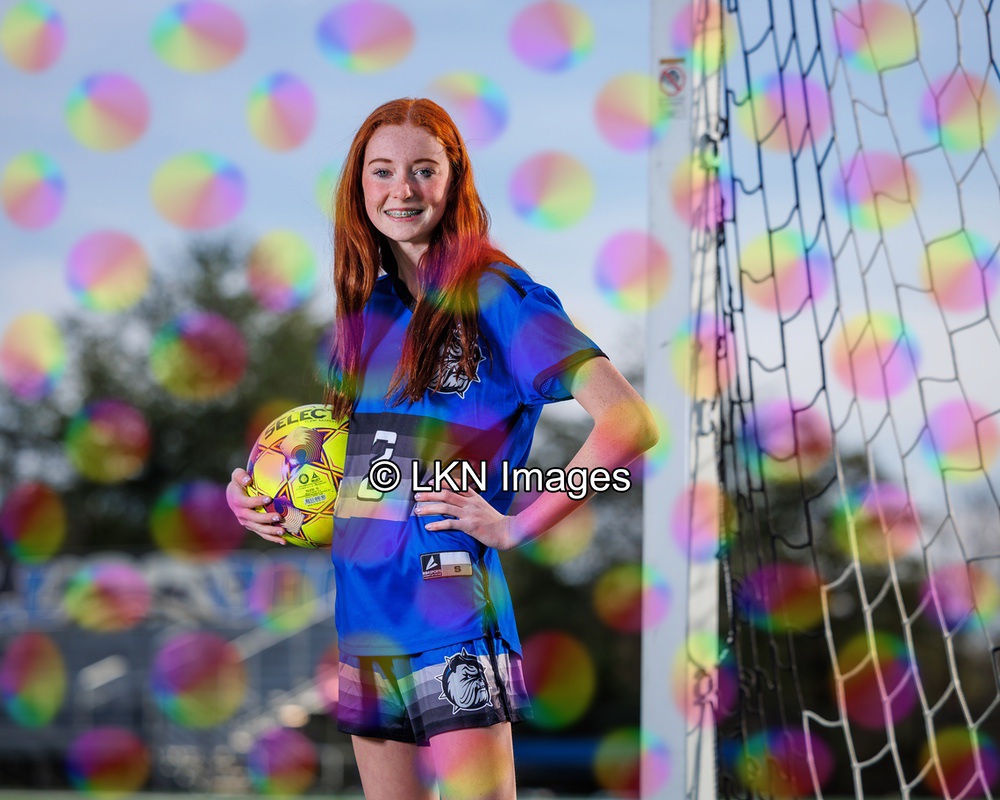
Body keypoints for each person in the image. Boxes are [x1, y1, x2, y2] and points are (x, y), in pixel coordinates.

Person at [226, 97, 658, 800]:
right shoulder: (367, 310)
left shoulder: (498, 294)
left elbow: (630, 424)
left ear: (455, 178)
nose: (403, 188)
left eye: (424, 169)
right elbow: (358, 467)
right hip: (365, 614)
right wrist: (260, 496)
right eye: (382, 170)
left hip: (451, 610)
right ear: (358, 185)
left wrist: (518, 523)